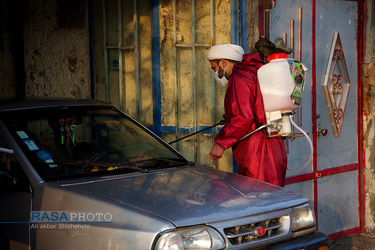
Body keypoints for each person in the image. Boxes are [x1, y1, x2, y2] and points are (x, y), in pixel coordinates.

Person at [207, 44, 287, 187]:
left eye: (215, 68)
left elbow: (243, 117)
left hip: (257, 150)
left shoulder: (240, 76)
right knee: (273, 197)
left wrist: (221, 143)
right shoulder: (255, 71)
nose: (217, 74)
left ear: (223, 62)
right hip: (273, 145)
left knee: (257, 198)